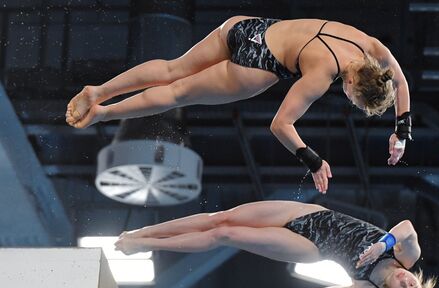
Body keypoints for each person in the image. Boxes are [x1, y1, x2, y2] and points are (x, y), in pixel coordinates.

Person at [66, 16, 413, 194]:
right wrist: (312, 159)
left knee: (173, 68)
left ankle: (98, 91)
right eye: (353, 99)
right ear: (352, 83)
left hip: (248, 27)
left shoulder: (370, 44)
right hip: (258, 64)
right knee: (176, 94)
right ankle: (104, 113)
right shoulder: (322, 73)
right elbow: (280, 125)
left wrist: (401, 131)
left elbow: (401, 82)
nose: (348, 98)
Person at [114, 200, 436, 288]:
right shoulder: (406, 256)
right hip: (311, 214)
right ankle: (142, 231)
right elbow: (406, 228)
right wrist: (383, 242)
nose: (408, 282)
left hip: (309, 247)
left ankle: (143, 244)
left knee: (226, 234)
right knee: (221, 216)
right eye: (413, 283)